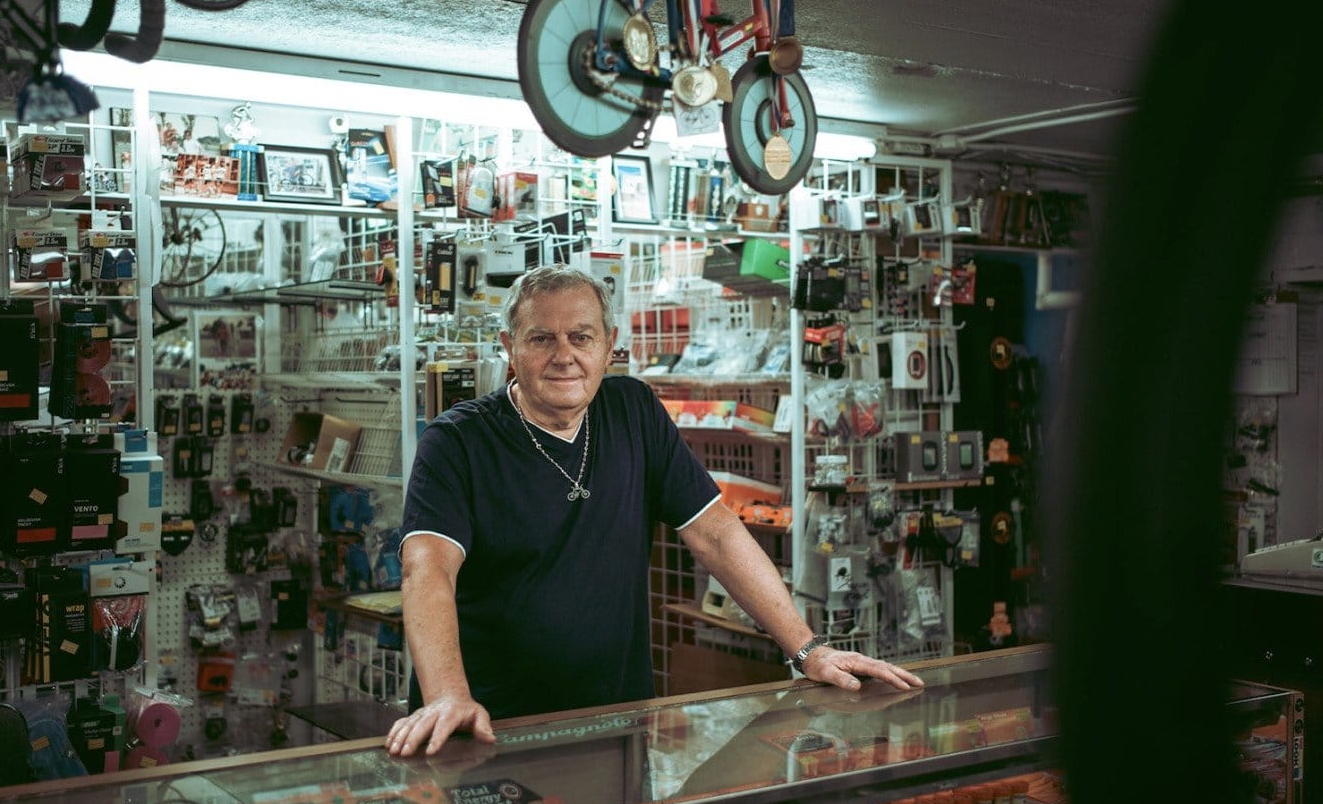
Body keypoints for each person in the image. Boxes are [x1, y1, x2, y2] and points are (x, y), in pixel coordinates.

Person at [385, 265, 922, 757]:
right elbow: (426, 568)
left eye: (581, 337)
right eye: (541, 338)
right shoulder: (456, 441)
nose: (564, 355)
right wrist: (447, 697)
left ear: (609, 345)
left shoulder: (634, 412)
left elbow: (716, 533)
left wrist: (809, 652)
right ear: (509, 347)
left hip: (615, 724)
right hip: (484, 729)